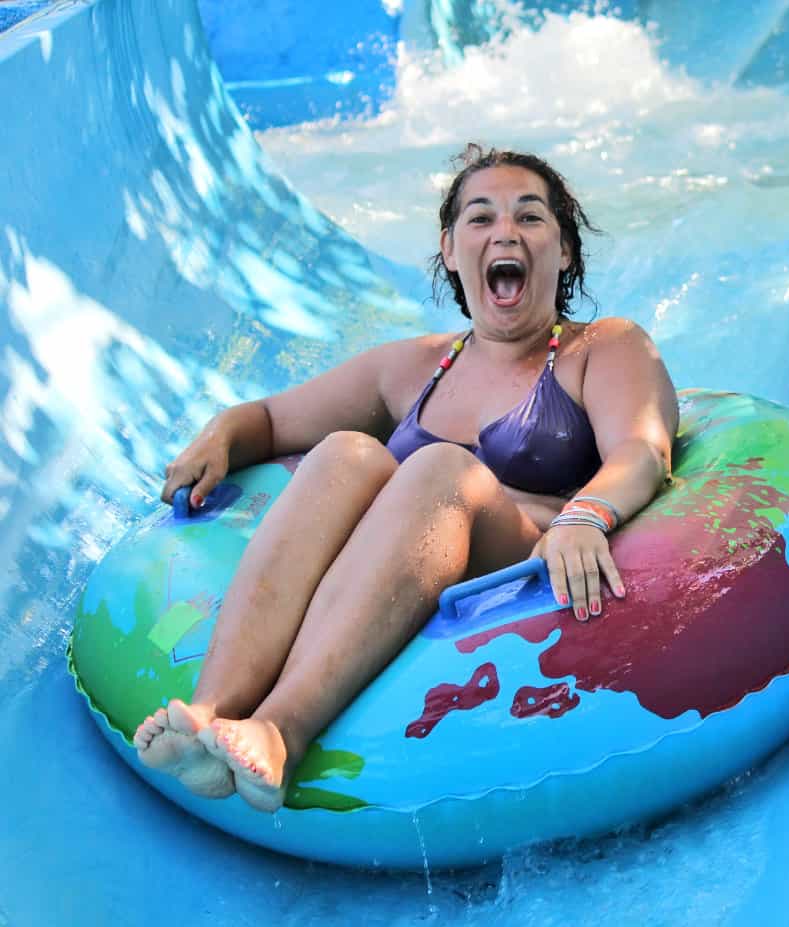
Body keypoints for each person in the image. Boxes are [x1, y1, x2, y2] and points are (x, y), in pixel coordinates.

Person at [131, 145, 679, 813]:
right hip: (401, 557)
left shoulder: (604, 347)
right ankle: (209, 711)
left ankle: (281, 727)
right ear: (450, 250)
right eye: (480, 218)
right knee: (345, 454)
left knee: (438, 466)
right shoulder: (416, 366)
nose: (504, 231)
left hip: (518, 548)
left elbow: (642, 448)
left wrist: (586, 513)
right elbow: (272, 419)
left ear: (563, 250)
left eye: (529, 218)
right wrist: (221, 432)